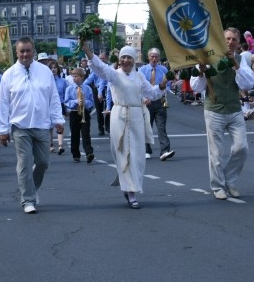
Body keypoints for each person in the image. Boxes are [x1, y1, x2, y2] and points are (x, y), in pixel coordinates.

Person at [84, 42, 166, 209]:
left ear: (134, 60)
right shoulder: (114, 74)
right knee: (124, 153)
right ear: (120, 60)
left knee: (137, 155)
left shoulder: (139, 76)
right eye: (123, 57)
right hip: (119, 116)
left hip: (136, 116)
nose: (126, 60)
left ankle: (129, 186)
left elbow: (152, 93)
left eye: (129, 57)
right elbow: (99, 67)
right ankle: (131, 192)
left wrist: (163, 85)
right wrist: (87, 51)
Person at [0, 37, 65, 214]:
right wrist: (2, 130)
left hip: (42, 125)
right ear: (16, 53)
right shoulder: (9, 74)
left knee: (43, 162)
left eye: (28, 50)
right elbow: (2, 103)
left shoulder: (45, 71)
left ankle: (31, 189)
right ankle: (28, 200)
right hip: (20, 126)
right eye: (21, 51)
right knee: (24, 163)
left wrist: (58, 119)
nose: (25, 54)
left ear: (33, 51)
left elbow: (53, 97)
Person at [190, 28, 254, 200]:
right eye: (227, 38)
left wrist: (235, 63)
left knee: (242, 147)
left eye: (234, 39)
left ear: (238, 42)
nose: (230, 42)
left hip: (235, 109)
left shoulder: (241, 59)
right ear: (221, 39)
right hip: (214, 109)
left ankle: (229, 180)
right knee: (216, 152)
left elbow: (248, 84)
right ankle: (218, 186)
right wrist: (202, 71)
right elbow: (195, 87)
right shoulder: (207, 57)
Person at [139, 48, 175, 161]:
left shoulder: (164, 69)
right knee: (146, 126)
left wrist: (166, 90)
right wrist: (144, 98)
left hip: (161, 100)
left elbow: (168, 85)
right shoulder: (142, 70)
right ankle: (146, 150)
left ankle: (164, 150)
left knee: (161, 126)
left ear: (159, 58)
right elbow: (139, 87)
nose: (154, 59)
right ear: (148, 57)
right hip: (147, 100)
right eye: (152, 56)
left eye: (156, 56)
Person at [64, 67, 95, 163]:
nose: (74, 78)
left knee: (86, 133)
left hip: (84, 112)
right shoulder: (69, 89)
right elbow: (66, 102)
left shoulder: (87, 88)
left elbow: (91, 102)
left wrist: (85, 102)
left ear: (82, 77)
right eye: (73, 76)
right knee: (75, 134)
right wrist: (76, 102)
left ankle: (89, 153)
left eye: (76, 76)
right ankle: (75, 154)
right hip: (74, 112)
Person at [48, 62, 67, 155]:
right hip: (49, 105)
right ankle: (50, 145)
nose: (53, 69)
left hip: (60, 104)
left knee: (60, 124)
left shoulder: (63, 81)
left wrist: (67, 108)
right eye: (51, 68)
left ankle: (60, 146)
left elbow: (65, 93)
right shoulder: (46, 81)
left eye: (55, 67)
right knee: (50, 127)